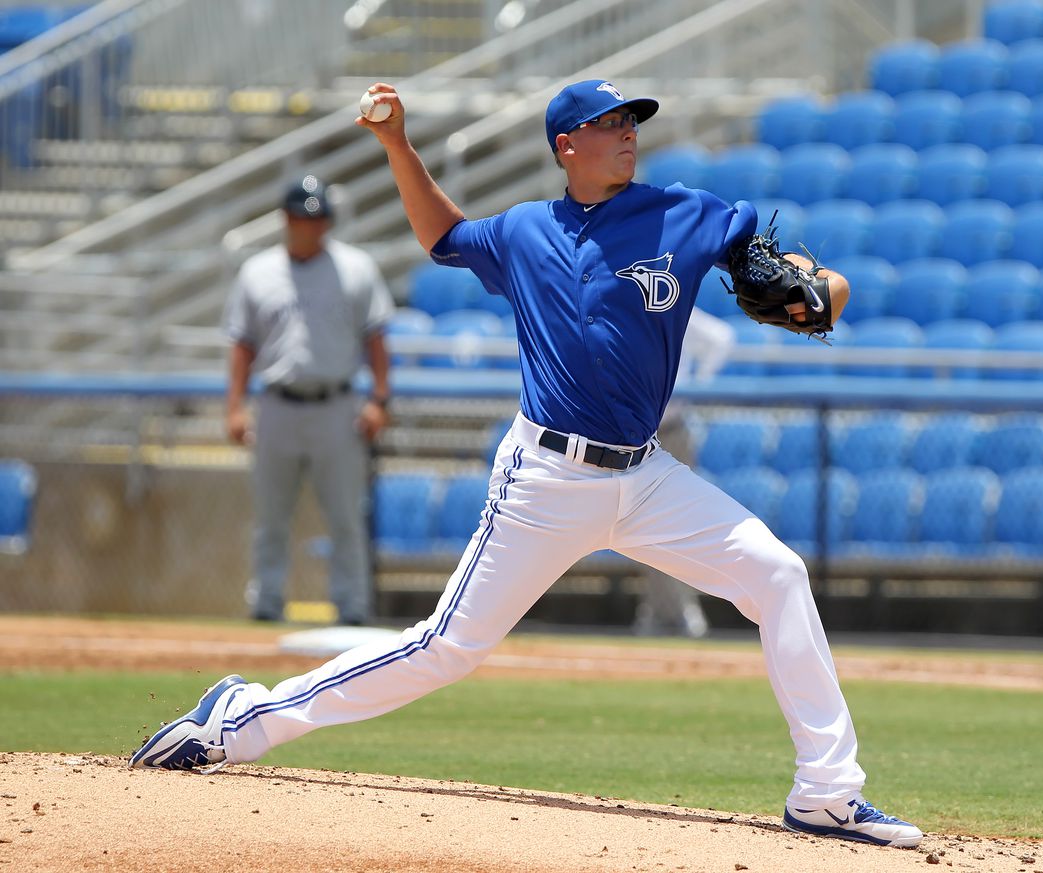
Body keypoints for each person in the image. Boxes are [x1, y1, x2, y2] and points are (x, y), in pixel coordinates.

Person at [132, 80, 922, 850]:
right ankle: (240, 719)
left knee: (778, 573)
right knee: (445, 648)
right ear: (565, 146)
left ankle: (825, 792)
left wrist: (809, 288)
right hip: (546, 479)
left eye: (632, 121)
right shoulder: (523, 232)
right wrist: (398, 144)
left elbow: (781, 265)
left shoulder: (684, 212)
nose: (628, 133)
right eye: (610, 123)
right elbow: (443, 237)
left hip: (645, 478)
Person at [223, 174, 395, 626]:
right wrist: (235, 406)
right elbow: (242, 344)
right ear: (286, 219)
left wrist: (379, 399)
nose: (311, 226)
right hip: (277, 404)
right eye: (303, 218)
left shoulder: (355, 268)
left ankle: (353, 607)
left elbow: (376, 338)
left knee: (345, 516)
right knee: (270, 517)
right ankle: (266, 603)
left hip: (337, 405)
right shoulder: (257, 272)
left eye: (319, 219)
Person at [631, 307, 734, 638]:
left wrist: (697, 384)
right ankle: (660, 608)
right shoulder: (623, 309)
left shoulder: (676, 308)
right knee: (640, 528)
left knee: (675, 525)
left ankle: (679, 609)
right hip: (632, 434)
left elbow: (722, 338)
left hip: (671, 430)